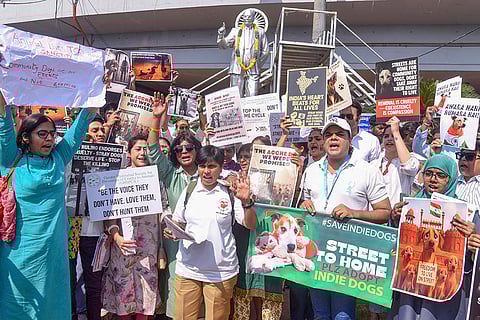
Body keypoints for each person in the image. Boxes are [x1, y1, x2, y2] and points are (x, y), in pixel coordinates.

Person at [0, 92, 96, 320]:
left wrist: (98, 86)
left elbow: (83, 123)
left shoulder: (58, 158)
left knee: (52, 307)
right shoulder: (10, 159)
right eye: (41, 134)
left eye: (52, 134)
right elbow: (3, 120)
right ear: (26, 137)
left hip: (53, 254)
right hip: (18, 252)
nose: (49, 139)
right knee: (17, 305)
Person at [299, 117, 391, 320]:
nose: (333, 138)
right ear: (323, 141)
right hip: (315, 253)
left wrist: (354, 213)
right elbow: (303, 204)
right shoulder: (311, 170)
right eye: (329, 135)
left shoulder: (366, 171)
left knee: (343, 316)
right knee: (320, 315)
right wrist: (303, 206)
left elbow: (385, 212)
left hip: (347, 257)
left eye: (340, 134)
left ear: (350, 139)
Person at [165, 145, 257, 320]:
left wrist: (246, 203)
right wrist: (173, 230)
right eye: (202, 166)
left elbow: (250, 225)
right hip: (188, 269)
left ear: (221, 168)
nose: (206, 171)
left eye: (212, 166)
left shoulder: (230, 192)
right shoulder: (190, 190)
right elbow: (178, 221)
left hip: (220, 273)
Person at [388, 154, 468, 320]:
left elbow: (469, 256)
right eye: (428, 173)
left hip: (441, 288)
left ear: (451, 178)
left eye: (441, 175)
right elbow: (395, 245)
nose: (433, 179)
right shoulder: (409, 205)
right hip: (411, 285)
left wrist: (472, 237)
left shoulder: (464, 214)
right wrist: (395, 218)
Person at [147, 93, 203, 319]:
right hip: (175, 241)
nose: (184, 152)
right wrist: (156, 120)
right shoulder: (170, 174)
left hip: (203, 240)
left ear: (197, 150)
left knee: (202, 288)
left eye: (189, 148)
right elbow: (152, 152)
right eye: (179, 150)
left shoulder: (208, 175)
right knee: (175, 285)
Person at [102, 135, 164, 320]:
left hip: (148, 249)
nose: (142, 153)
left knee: (146, 297)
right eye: (138, 149)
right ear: (129, 153)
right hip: (123, 248)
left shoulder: (157, 178)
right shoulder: (118, 178)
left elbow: (163, 212)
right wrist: (116, 237)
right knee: (124, 295)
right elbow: (108, 214)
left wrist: (161, 248)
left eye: (146, 149)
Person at [233, 138, 286, 320]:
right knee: (244, 293)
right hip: (245, 246)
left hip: (271, 247)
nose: (244, 160)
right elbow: (247, 223)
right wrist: (246, 201)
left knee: (270, 294)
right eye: (241, 157)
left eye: (248, 156)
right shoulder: (236, 183)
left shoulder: (275, 183)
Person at [217, 8, 269, 97]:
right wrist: (221, 35)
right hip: (237, 67)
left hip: (253, 69)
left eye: (249, 16)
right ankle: (236, 111)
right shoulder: (235, 31)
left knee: (252, 95)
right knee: (236, 95)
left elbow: (265, 51)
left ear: (253, 18)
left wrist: (257, 64)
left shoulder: (260, 32)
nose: (247, 18)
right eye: (245, 17)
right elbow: (224, 45)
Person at [371, 117, 420, 206]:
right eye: (386, 136)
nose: (389, 139)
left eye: (393, 136)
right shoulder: (374, 164)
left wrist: (396, 132)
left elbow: (409, 167)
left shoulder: (411, 159)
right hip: (377, 214)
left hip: (398, 214)